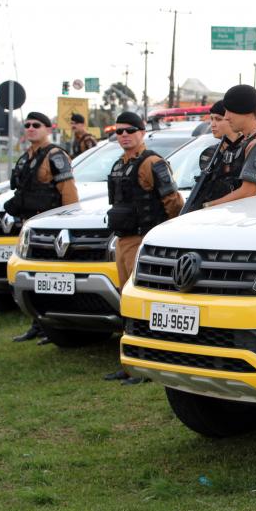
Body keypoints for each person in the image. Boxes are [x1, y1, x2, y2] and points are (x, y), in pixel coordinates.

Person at [103, 111, 183, 384]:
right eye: (119, 130)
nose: (124, 135)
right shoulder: (118, 165)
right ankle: (130, 364)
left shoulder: (153, 163)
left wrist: (167, 237)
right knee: (127, 303)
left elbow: (172, 201)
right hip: (124, 240)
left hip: (144, 241)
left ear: (142, 132)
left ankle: (146, 365)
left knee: (143, 305)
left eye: (130, 130)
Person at [5, 112, 80, 345]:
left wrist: (69, 224)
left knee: (52, 280)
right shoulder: (26, 157)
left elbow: (68, 192)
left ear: (48, 129)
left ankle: (55, 328)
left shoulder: (55, 156)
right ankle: (37, 325)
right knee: (34, 280)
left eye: (36, 125)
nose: (30, 128)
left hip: (50, 227)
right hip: (29, 227)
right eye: (27, 125)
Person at [199, 84, 256, 209]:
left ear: (246, 112)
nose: (226, 116)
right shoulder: (245, 142)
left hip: (253, 219)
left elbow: (247, 192)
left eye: (230, 111)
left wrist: (208, 207)